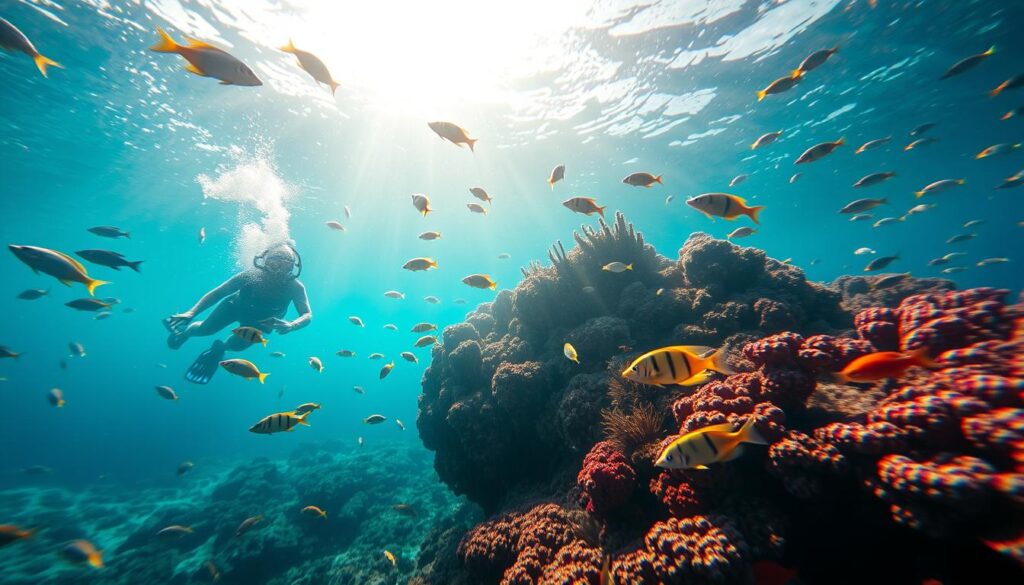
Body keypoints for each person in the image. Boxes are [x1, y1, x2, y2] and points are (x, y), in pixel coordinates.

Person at [163, 241, 312, 384]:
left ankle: (221, 348)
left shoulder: (295, 287)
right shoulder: (249, 276)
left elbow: (307, 315)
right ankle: (185, 333)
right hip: (233, 307)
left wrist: (292, 325)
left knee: (238, 346)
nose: (278, 270)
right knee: (205, 329)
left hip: (260, 323)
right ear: (265, 261)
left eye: (285, 265)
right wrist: (191, 313)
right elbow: (218, 293)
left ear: (292, 267)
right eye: (274, 263)